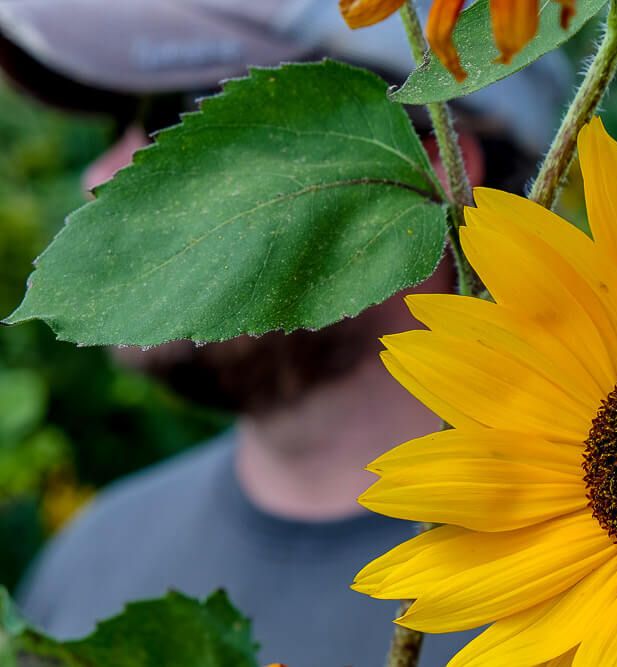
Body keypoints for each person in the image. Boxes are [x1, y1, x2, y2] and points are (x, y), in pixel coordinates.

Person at [0, 1, 570, 664]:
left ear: (431, 165)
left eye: (178, 120)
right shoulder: (89, 566)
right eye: (117, 125)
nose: (99, 176)